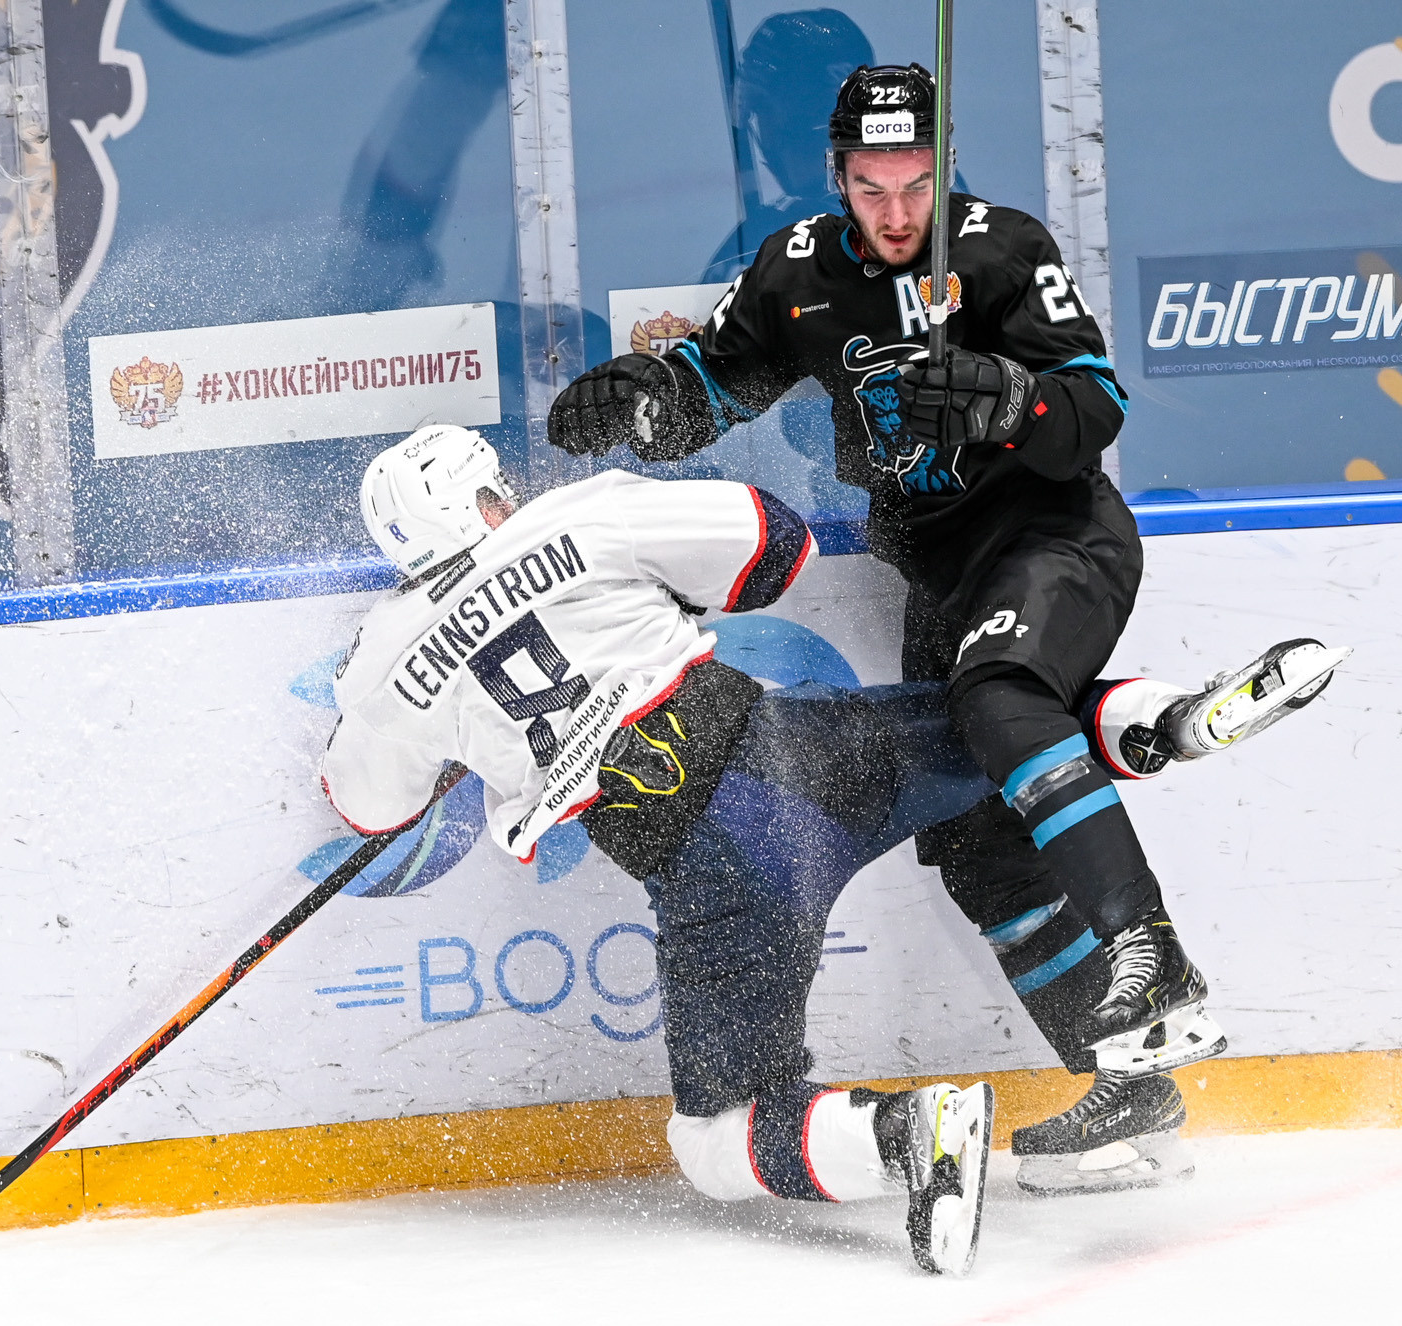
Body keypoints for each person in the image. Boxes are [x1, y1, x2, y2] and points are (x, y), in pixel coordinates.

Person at [546, 63, 1347, 1196]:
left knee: (994, 699)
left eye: (913, 183)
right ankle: (1128, 1078)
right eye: (869, 187)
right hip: (944, 578)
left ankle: (1148, 951)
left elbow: (1095, 410)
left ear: (942, 168)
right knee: (974, 838)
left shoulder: (999, 250)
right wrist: (636, 402)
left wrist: (1004, 396)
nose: (893, 212)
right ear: (837, 179)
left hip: (1053, 538)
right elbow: (709, 388)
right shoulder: (793, 274)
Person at [318, 425, 1333, 1271]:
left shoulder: (380, 665)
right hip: (798, 751)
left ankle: (908, 1135)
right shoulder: (579, 516)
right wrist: (662, 601)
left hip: (717, 864)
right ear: (489, 500)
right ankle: (1163, 718)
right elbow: (776, 544)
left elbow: (365, 806)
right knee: (987, 727)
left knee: (713, 1139)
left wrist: (455, 733)